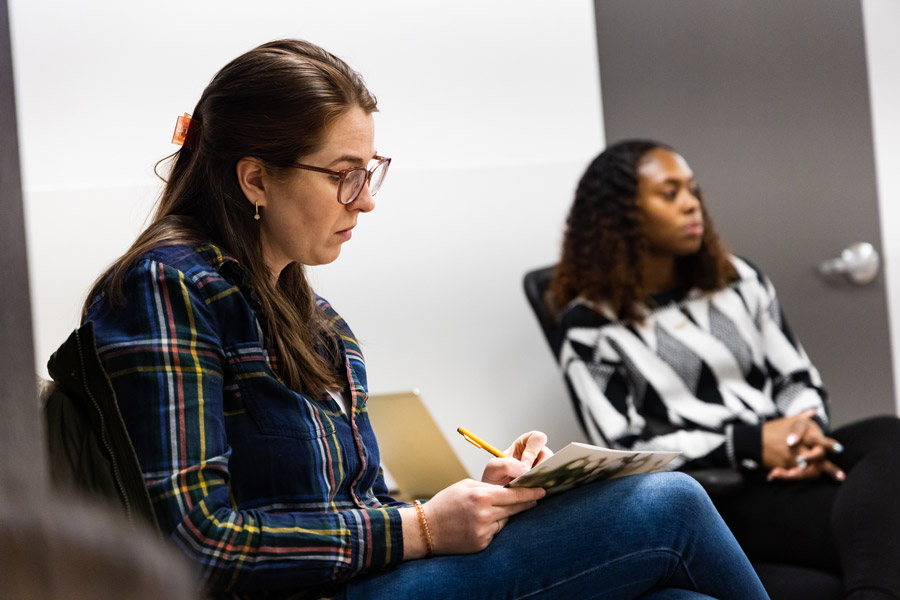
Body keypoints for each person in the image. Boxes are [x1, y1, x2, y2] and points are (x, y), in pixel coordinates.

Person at [71, 41, 769, 600]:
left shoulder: (312, 317)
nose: (365, 201)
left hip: (363, 580)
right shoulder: (168, 285)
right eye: (345, 174)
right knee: (670, 504)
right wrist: (424, 529)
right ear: (255, 179)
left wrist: (479, 502)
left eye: (371, 171)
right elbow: (202, 545)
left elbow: (363, 504)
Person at [550, 139, 900, 600]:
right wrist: (750, 444)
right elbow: (627, 451)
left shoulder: (736, 278)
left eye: (693, 190)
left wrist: (804, 432)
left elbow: (794, 376)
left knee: (886, 434)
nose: (692, 203)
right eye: (670, 193)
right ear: (619, 214)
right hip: (721, 492)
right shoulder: (589, 326)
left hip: (790, 466)